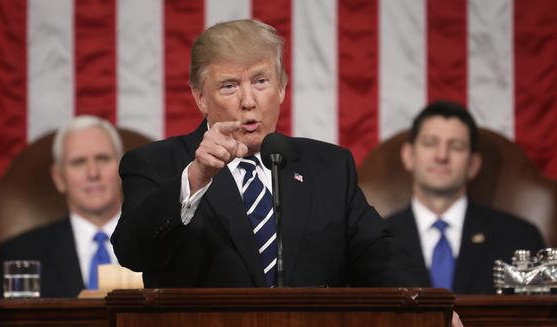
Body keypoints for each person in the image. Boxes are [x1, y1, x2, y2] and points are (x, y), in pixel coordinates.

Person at [111, 19, 426, 289]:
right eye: (229, 86)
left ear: (282, 88)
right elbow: (132, 253)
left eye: (260, 81)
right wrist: (196, 178)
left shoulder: (329, 167)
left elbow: (379, 253)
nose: (249, 101)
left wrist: (430, 309)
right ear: (200, 97)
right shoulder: (157, 165)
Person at [384, 100, 546, 294]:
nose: (442, 156)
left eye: (456, 146)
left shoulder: (520, 239)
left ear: (473, 164)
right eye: (430, 143)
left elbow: (542, 318)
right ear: (409, 156)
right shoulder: (374, 243)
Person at [0, 115, 123, 298]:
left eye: (102, 159)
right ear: (59, 178)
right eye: (78, 162)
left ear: (123, 168)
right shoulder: (20, 253)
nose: (93, 173)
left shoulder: (164, 246)